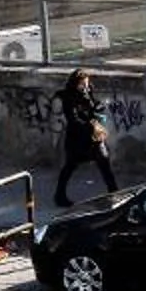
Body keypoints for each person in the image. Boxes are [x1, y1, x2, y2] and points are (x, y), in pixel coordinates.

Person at [55, 68, 115, 205]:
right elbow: (73, 119)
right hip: (77, 139)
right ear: (75, 84)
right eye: (82, 84)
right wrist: (89, 125)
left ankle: (114, 193)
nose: (85, 87)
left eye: (87, 84)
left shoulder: (88, 92)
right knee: (70, 166)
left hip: (92, 138)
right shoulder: (69, 97)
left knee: (104, 162)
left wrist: (98, 108)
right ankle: (59, 196)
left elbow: (94, 104)